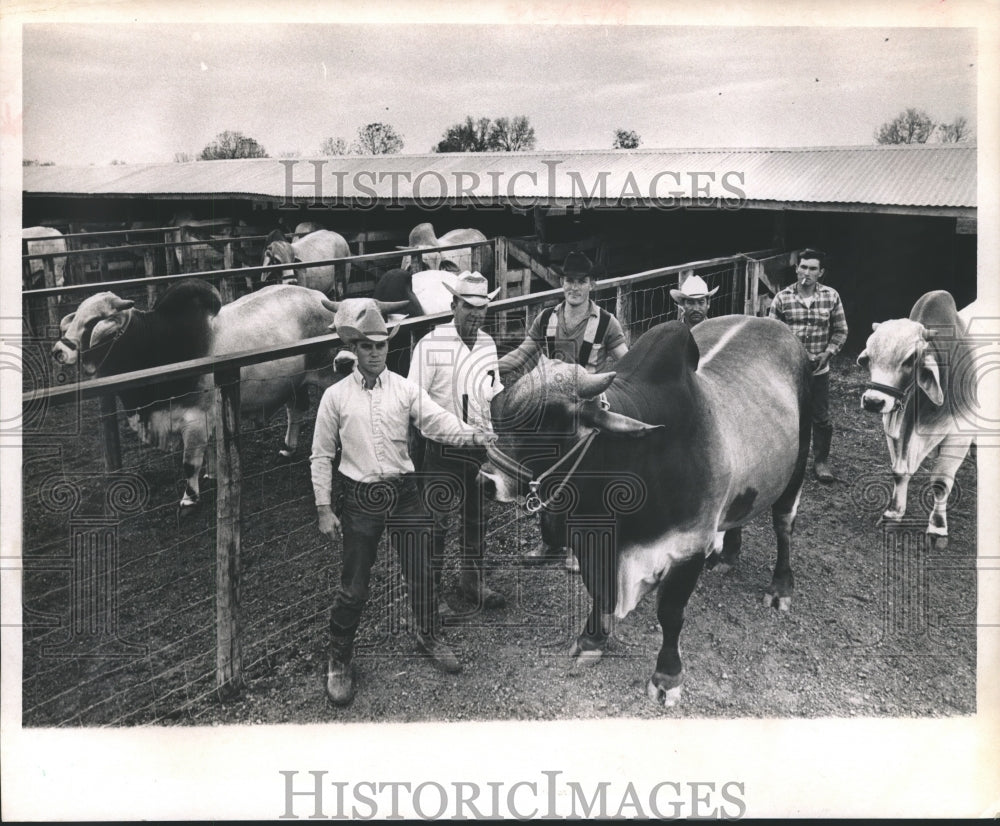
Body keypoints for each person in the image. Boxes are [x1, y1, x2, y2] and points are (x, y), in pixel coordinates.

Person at [310, 303, 496, 706]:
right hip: (360, 498)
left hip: (405, 493)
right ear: (354, 348)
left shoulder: (405, 390)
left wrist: (472, 436)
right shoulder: (335, 397)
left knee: (422, 569)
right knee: (355, 586)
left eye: (380, 346)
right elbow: (321, 454)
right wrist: (324, 507)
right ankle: (339, 659)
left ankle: (428, 634)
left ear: (386, 348)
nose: (375, 353)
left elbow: (436, 420)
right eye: (366, 346)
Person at [501, 251, 629, 571]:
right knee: (547, 476)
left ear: (591, 285)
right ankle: (550, 542)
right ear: (562, 283)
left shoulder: (606, 323)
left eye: (581, 282)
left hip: (585, 411)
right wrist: (486, 365)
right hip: (550, 411)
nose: (574, 287)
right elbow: (521, 355)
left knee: (583, 479)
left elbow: (625, 363)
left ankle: (578, 545)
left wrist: (610, 388)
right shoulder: (546, 318)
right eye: (569, 281)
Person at [408, 271, 506, 613]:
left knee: (477, 516)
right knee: (436, 523)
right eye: (469, 306)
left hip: (478, 449)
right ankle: (430, 596)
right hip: (441, 449)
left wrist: (495, 437)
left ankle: (471, 579)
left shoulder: (488, 344)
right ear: (454, 305)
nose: (476, 314)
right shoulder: (430, 345)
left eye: (482, 307)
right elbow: (416, 404)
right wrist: (461, 432)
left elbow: (493, 393)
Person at [768, 248, 849, 483]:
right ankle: (785, 461)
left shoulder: (831, 297)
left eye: (813, 268)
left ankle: (821, 461)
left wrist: (828, 353)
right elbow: (773, 334)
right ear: (796, 269)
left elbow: (841, 330)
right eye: (803, 267)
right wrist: (791, 355)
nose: (807, 272)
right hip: (788, 370)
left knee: (821, 418)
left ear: (821, 272)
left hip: (819, 370)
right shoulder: (782, 298)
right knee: (786, 414)